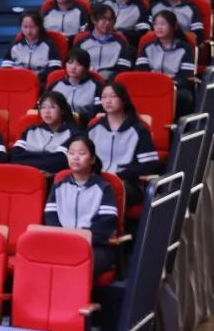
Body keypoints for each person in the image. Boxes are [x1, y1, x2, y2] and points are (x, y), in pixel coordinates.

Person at [44, 135, 120, 277]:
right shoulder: (58, 187)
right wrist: (65, 240)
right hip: (63, 244)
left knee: (75, 263)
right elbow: (51, 219)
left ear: (92, 159)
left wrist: (80, 239)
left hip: (95, 247)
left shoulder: (104, 188)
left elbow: (105, 225)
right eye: (71, 153)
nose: (75, 157)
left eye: (81, 153)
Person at [86, 82, 159, 202]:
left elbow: (150, 164)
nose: (108, 101)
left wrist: (121, 175)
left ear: (123, 100)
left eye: (113, 96)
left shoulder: (139, 129)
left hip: (127, 183)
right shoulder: (94, 128)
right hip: (97, 179)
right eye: (104, 97)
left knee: (104, 192)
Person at [135, 9, 197, 114]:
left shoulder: (184, 48)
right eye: (156, 24)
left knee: (184, 96)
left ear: (173, 27)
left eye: (163, 24)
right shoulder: (148, 47)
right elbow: (140, 71)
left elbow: (185, 77)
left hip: (174, 86)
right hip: (151, 84)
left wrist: (167, 83)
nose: (159, 27)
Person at [11, 91, 80, 173]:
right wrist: (44, 161)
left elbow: (59, 162)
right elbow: (15, 156)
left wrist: (29, 159)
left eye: (52, 107)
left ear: (62, 110)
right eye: (43, 107)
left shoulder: (73, 134)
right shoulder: (30, 130)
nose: (47, 111)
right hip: (25, 174)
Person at [2, 11, 62, 80]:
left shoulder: (49, 45)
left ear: (39, 27)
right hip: (17, 80)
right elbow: (6, 68)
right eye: (25, 27)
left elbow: (55, 68)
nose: (28, 31)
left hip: (40, 81)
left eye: (32, 27)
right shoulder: (14, 45)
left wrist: (37, 77)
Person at [51, 49, 102, 124]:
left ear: (86, 67)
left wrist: (79, 118)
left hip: (84, 126)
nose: (73, 67)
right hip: (57, 124)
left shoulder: (96, 86)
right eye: (70, 63)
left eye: (78, 64)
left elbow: (99, 114)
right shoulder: (55, 85)